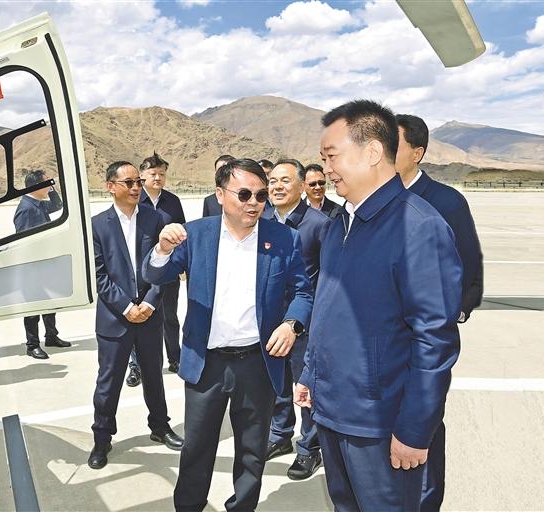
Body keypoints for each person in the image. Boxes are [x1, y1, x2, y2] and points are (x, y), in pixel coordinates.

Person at [295, 100, 462, 511]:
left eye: (331, 156)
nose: (326, 169)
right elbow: (328, 310)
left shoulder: (418, 227)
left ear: (371, 152)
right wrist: (311, 374)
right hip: (333, 413)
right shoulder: (340, 224)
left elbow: (434, 341)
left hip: (381, 425)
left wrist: (415, 429)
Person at [143, 158, 313, 511]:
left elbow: (303, 291)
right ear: (220, 194)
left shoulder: (284, 238)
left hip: (257, 363)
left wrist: (291, 324)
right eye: (245, 194)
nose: (255, 203)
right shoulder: (196, 234)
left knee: (252, 452)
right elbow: (155, 276)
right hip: (207, 363)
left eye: (261, 195)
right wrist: (162, 249)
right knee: (197, 449)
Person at [396, 113, 484, 511]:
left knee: (424, 422)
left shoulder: (446, 201)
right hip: (385, 338)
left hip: (425, 337)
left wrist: (455, 312)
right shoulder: (373, 199)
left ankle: (426, 502)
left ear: (417, 153)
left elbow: (469, 262)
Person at [88, 161, 184, 470]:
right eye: (128, 183)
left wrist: (150, 303)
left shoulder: (155, 220)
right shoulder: (97, 225)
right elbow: (99, 275)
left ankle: (160, 426)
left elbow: (164, 265)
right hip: (115, 319)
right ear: (110, 186)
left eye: (137, 183)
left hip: (149, 315)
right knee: (109, 381)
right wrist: (127, 307)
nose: (135, 188)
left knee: (153, 375)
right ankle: (102, 438)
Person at [262, 159, 330, 480]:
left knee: (307, 388)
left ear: (302, 186)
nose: (277, 186)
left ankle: (309, 448)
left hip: (305, 324)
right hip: (270, 322)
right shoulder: (261, 220)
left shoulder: (318, 225)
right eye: (273, 181)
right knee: (276, 384)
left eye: (285, 180)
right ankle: (280, 435)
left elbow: (329, 279)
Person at [126, 151, 186, 387]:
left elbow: (182, 233)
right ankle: (136, 365)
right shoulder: (133, 200)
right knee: (139, 316)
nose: (158, 178)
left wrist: (182, 264)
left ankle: (175, 358)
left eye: (162, 174)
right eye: (153, 174)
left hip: (168, 269)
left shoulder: (172, 201)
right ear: (142, 175)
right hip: (140, 271)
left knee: (170, 316)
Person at [13, 169, 71, 359]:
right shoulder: (27, 208)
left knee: (49, 302)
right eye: (47, 182)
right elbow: (23, 240)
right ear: (36, 186)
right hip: (32, 266)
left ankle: (51, 336)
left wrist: (51, 189)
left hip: (44, 263)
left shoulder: (37, 204)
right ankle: (32, 345)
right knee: (33, 307)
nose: (50, 184)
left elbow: (58, 205)